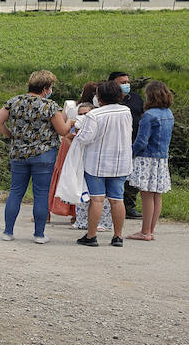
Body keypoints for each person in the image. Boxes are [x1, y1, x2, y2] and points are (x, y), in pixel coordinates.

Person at [0, 70, 70, 243]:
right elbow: (62, 131)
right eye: (50, 87)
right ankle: (39, 235)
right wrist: (71, 122)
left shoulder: (14, 101)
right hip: (43, 154)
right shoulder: (50, 106)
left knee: (15, 192)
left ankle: (8, 232)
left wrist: (10, 136)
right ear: (45, 88)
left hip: (18, 153)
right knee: (41, 194)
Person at [71, 80, 133, 247]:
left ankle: (91, 236)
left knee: (97, 200)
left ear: (99, 97)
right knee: (117, 199)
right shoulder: (126, 111)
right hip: (121, 162)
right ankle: (118, 236)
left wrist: (78, 130)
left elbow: (85, 138)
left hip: (97, 163)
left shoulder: (94, 115)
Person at [127, 80, 175, 241]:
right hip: (161, 158)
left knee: (146, 195)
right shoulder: (168, 113)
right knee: (156, 195)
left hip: (146, 158)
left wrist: (130, 153)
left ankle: (145, 231)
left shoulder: (149, 115)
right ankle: (150, 230)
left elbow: (141, 141)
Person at [110, 71, 145, 219]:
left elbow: (143, 115)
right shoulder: (108, 99)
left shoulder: (136, 98)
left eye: (127, 82)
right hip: (114, 143)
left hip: (134, 141)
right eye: (122, 82)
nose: (126, 85)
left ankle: (129, 207)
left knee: (132, 177)